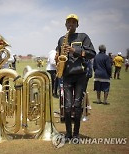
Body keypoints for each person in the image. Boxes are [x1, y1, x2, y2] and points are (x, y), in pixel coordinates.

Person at [56, 13, 96, 142]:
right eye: (69, 22)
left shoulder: (83, 37)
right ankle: (68, 134)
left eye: (74, 22)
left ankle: (76, 134)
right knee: (67, 106)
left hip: (80, 76)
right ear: (65, 24)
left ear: (77, 25)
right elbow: (57, 54)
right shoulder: (62, 39)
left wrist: (74, 50)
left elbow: (91, 54)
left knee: (77, 105)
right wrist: (58, 57)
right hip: (67, 75)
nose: (71, 24)